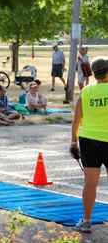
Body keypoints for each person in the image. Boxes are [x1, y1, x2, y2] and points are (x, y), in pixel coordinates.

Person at [70, 57, 108, 233]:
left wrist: (73, 141)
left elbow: (77, 119)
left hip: (88, 140)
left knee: (90, 183)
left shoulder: (86, 91)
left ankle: (86, 221)